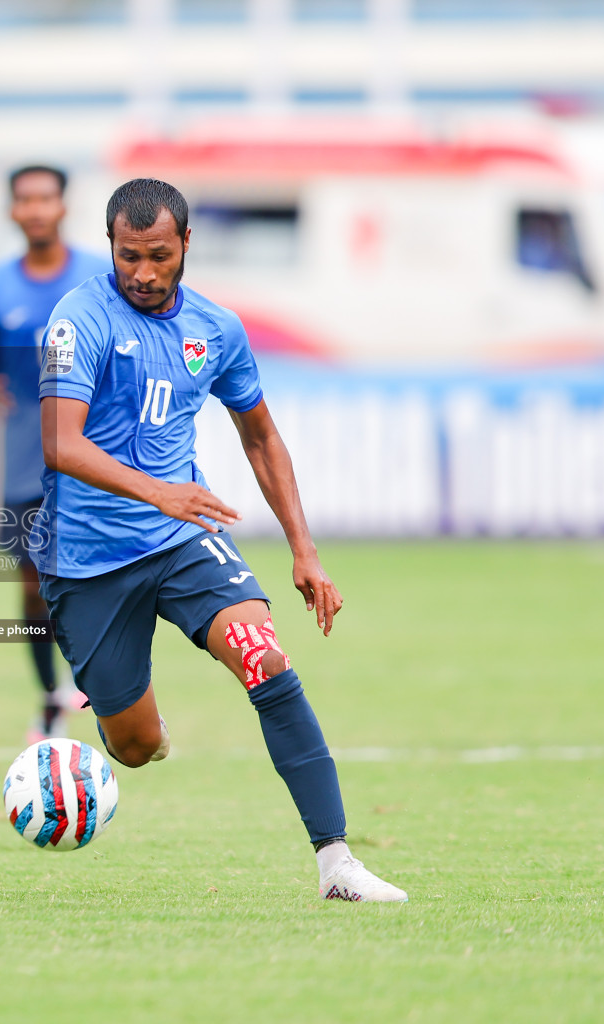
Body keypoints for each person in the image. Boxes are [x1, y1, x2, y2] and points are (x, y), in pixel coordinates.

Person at [31, 178, 406, 902]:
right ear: (109, 244)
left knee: (264, 660)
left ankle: (337, 864)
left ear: (187, 246)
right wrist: (159, 488)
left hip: (180, 539)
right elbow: (57, 441)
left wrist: (304, 548)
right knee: (137, 749)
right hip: (86, 559)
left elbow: (260, 436)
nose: (142, 272)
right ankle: (128, 718)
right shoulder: (79, 320)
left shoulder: (217, 329)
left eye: (159, 256)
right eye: (128, 255)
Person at [0, 165, 110, 742]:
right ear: (13, 210)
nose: (38, 207)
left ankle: (102, 689)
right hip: (28, 462)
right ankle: (51, 696)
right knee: (34, 585)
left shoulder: (100, 276)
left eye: (47, 196)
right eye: (26, 198)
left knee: (103, 579)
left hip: (99, 459)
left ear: (64, 205)